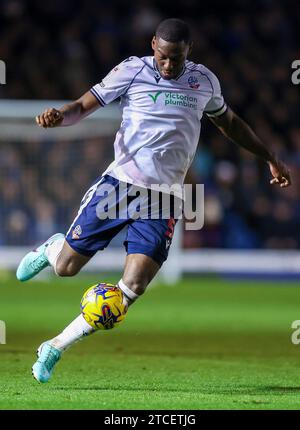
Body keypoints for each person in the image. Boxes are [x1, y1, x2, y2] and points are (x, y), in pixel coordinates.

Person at [16, 18, 291, 383]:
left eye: (175, 59)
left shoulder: (204, 81)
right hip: (119, 187)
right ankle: (53, 249)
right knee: (66, 267)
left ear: (188, 51)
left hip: (164, 200)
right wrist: (58, 116)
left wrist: (269, 156)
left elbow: (231, 124)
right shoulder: (131, 71)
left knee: (132, 288)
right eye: (162, 57)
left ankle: (55, 346)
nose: (168, 65)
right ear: (153, 47)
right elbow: (83, 106)